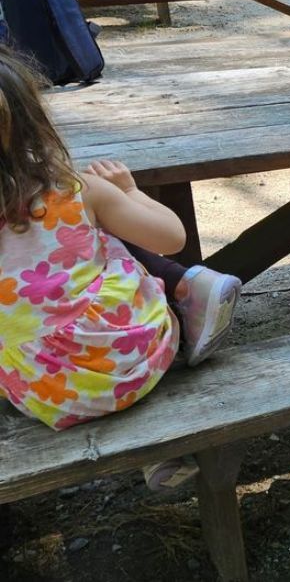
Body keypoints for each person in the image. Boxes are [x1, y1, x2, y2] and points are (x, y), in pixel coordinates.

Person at [0, 47, 241, 488]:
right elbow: (171, 237)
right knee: (100, 241)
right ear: (34, 123)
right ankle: (189, 288)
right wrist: (129, 191)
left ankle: (152, 454)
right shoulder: (77, 191)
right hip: (134, 359)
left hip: (45, 396)